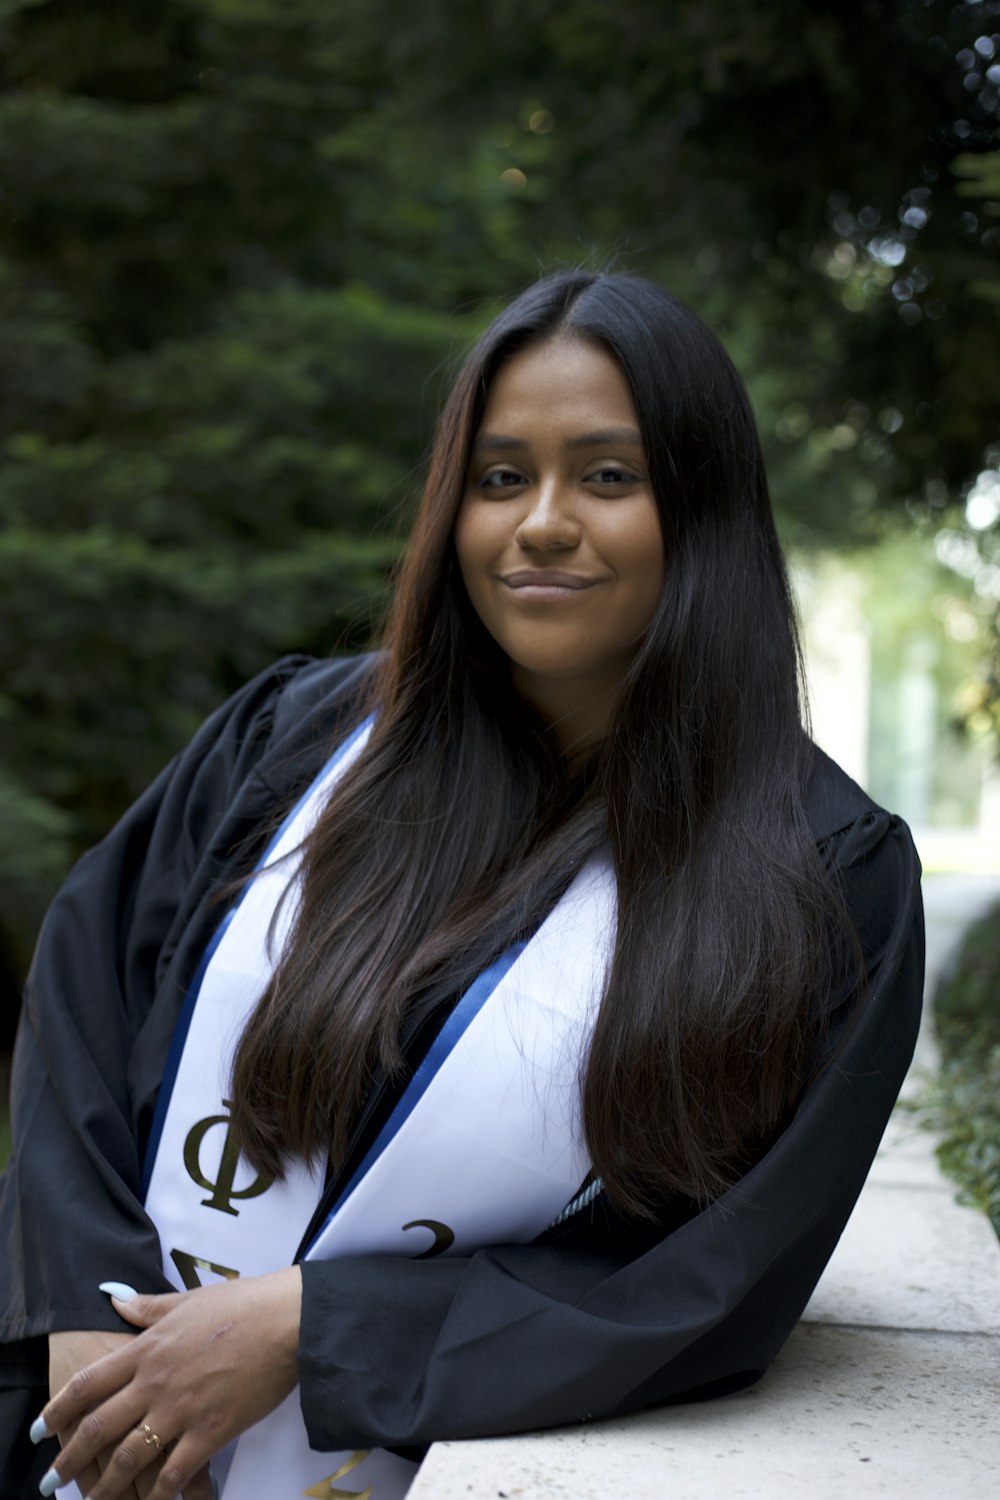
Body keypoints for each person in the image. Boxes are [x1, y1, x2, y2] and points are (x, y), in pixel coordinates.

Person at [0, 271, 924, 1500]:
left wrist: (305, 1330)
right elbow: (84, 1006)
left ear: (702, 508)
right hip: (84, 1433)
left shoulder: (819, 877)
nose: (541, 521)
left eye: (607, 475)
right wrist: (83, 1305)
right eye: (500, 478)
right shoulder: (300, 737)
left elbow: (707, 1278)